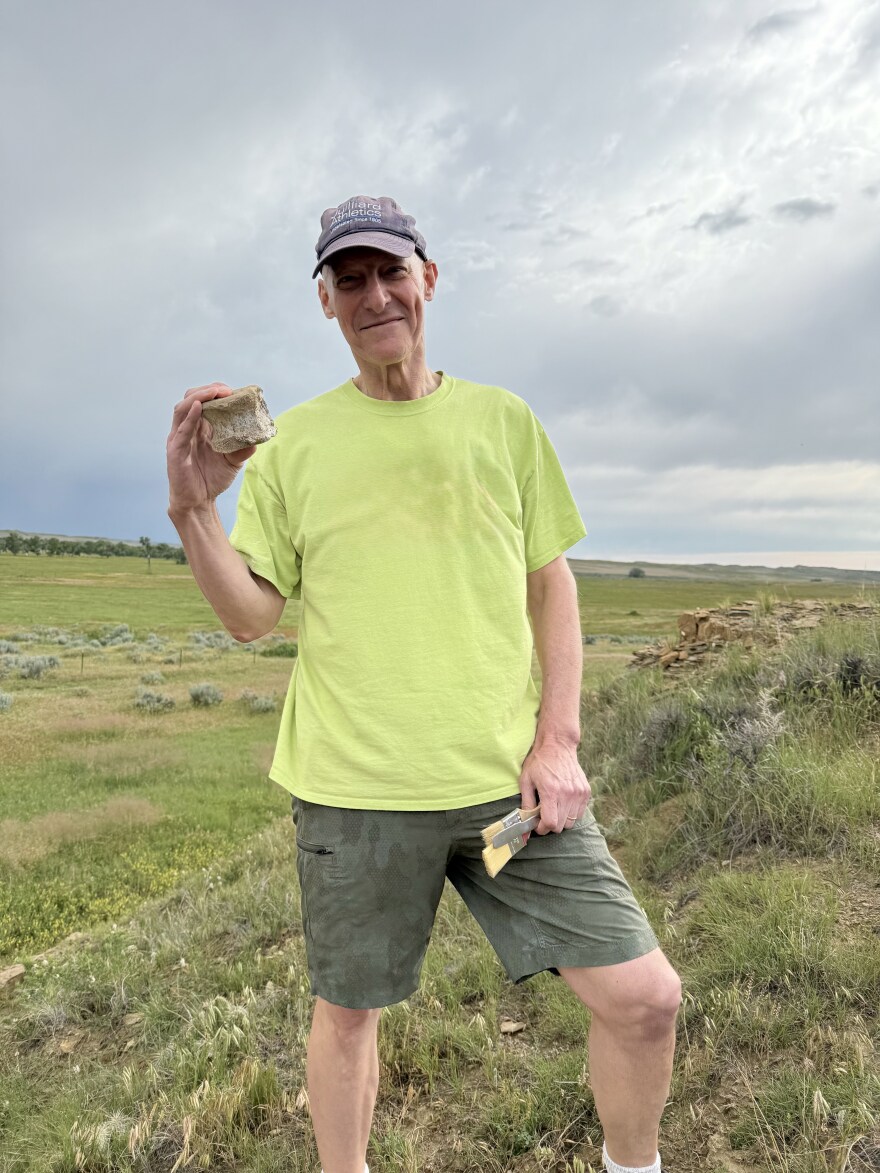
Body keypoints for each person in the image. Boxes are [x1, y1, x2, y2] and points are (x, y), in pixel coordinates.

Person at [166, 195, 682, 1173]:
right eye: (348, 280)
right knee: (350, 1015)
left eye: (389, 272)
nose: (374, 296)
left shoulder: (502, 421)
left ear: (427, 279)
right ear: (327, 302)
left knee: (644, 999)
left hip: (505, 810)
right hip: (357, 808)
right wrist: (192, 508)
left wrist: (557, 739)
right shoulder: (294, 448)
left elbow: (549, 581)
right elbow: (249, 616)